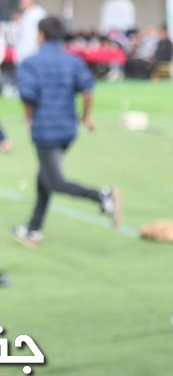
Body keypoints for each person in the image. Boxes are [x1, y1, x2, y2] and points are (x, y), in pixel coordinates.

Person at [11, 16, 122, 247]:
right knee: (44, 178)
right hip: (68, 130)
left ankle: (102, 196)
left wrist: (29, 121)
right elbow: (88, 90)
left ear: (40, 35)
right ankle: (33, 229)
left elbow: (28, 96)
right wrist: (86, 116)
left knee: (55, 182)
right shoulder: (73, 61)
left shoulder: (30, 63)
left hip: (45, 131)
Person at [13, 0, 46, 64]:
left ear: (30, 0)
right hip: (22, 53)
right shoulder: (25, 14)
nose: (21, 2)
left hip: (33, 51)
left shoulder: (39, 13)